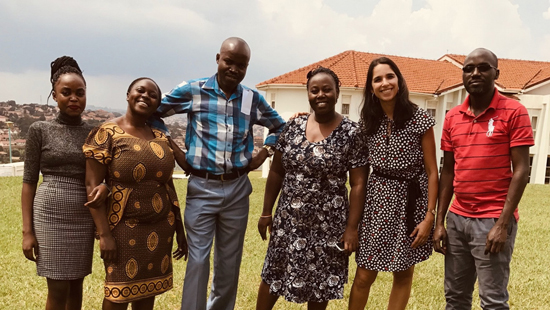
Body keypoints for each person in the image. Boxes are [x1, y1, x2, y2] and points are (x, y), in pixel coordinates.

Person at [148, 37, 285, 310]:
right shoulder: (194, 90)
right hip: (201, 187)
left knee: (229, 261)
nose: (234, 69)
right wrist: (176, 151)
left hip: (237, 189)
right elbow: (153, 113)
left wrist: (263, 153)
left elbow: (280, 127)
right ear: (218, 59)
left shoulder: (251, 98)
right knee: (198, 259)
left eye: (241, 65)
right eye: (229, 61)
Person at [255, 67, 368, 310]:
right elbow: (276, 171)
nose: (321, 95)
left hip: (329, 223)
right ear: (308, 94)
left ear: (338, 93)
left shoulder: (352, 132)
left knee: (321, 282)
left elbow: (358, 183)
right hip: (289, 221)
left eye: (327, 89)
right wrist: (266, 212)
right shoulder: (293, 126)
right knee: (273, 274)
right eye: (314, 90)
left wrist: (351, 228)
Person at [433, 48, 533, 310]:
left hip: (493, 219)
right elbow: (448, 171)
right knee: (455, 299)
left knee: (493, 301)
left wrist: (502, 224)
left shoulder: (514, 111)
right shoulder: (452, 117)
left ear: (495, 73)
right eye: (468, 68)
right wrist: (440, 221)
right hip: (457, 219)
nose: (475, 73)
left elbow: (522, 170)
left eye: (483, 67)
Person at [83, 77, 188, 310]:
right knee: (117, 294)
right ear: (128, 94)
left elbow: (168, 186)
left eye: (153, 95)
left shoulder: (160, 138)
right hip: (121, 228)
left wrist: (180, 229)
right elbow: (92, 186)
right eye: (140, 91)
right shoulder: (106, 133)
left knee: (147, 293)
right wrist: (104, 235)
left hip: (160, 229)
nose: (145, 96)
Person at [349, 57, 439, 310]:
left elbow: (433, 171)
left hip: (411, 203)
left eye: (390, 76)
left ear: (398, 80)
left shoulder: (419, 118)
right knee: (364, 274)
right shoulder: (367, 121)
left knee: (403, 273)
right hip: (376, 202)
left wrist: (429, 216)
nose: (385, 83)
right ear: (371, 87)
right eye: (377, 79)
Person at [21, 56, 109, 310]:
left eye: (79, 93)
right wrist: (28, 232)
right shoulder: (40, 130)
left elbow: (105, 176)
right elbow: (29, 182)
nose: (74, 98)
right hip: (49, 214)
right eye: (66, 92)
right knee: (58, 287)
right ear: (55, 95)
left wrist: (105, 187)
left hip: (83, 215)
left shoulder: (94, 132)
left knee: (76, 285)